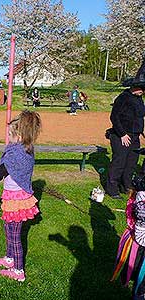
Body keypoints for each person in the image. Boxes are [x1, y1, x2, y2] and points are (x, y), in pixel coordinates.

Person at [0, 110, 42, 282]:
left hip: (17, 200)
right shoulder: (24, 148)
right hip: (14, 197)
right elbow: (5, 165)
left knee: (14, 236)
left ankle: (18, 270)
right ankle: (9, 258)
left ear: (20, 135)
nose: (8, 137)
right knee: (8, 229)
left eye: (10, 134)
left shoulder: (16, 153)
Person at [106, 59, 145, 199]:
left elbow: (139, 117)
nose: (143, 90)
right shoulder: (123, 97)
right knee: (119, 162)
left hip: (135, 136)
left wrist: (140, 132)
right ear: (134, 86)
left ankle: (126, 185)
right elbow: (114, 117)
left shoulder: (139, 99)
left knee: (131, 163)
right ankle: (112, 188)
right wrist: (122, 134)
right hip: (121, 135)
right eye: (141, 87)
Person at [111, 174, 145, 299]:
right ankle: (139, 292)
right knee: (138, 272)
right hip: (138, 241)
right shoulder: (139, 198)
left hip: (138, 239)